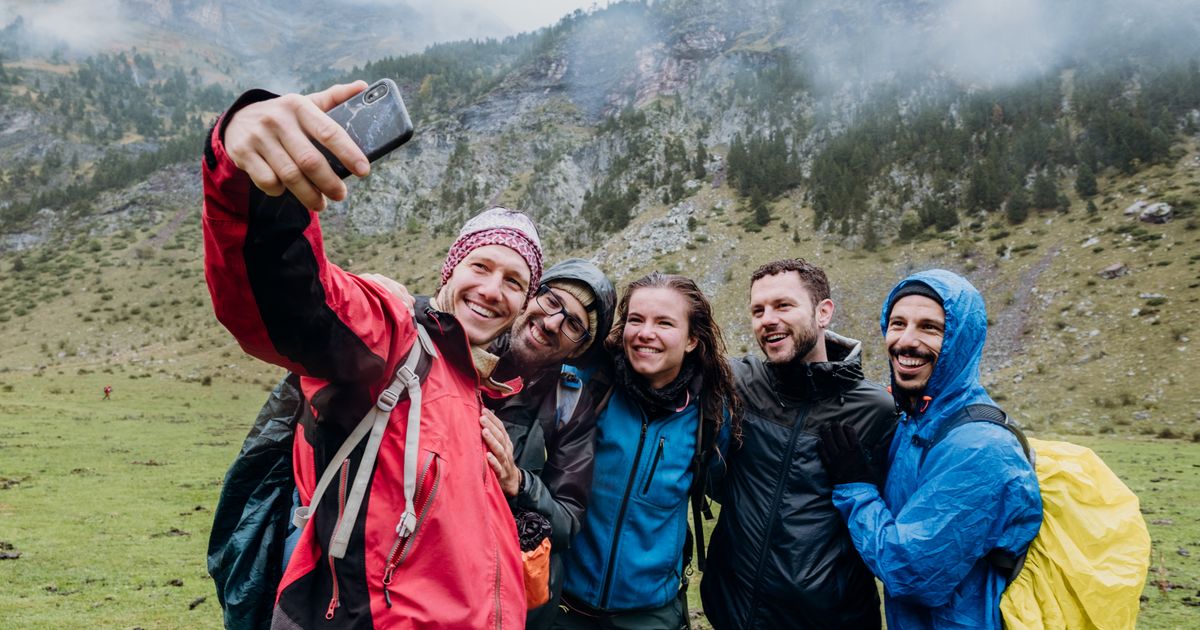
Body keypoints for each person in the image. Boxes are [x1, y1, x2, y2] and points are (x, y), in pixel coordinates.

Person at [202, 82, 541, 628]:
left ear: (524, 304)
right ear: (449, 270)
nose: (492, 289)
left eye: (514, 281)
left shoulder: (481, 391)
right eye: (480, 266)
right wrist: (255, 183)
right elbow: (294, 306)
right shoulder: (395, 337)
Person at [818, 269, 1042, 629]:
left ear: (960, 340)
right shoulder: (916, 422)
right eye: (897, 323)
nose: (906, 341)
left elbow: (910, 572)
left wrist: (855, 486)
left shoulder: (980, 449)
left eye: (929, 328)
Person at [701, 259, 898, 629]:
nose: (767, 319)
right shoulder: (736, 383)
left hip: (829, 620)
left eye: (783, 306)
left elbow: (896, 522)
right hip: (731, 613)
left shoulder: (877, 410)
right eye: (758, 310)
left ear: (823, 313)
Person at [554, 272, 742, 630]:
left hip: (650, 614)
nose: (645, 333)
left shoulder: (709, 415)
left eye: (664, 323)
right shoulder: (589, 381)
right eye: (636, 319)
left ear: (691, 340)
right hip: (563, 604)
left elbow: (725, 489)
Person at [481, 258, 617, 629]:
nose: (553, 322)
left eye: (574, 324)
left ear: (578, 350)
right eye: (552, 301)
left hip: (502, 602)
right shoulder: (460, 344)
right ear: (529, 297)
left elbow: (568, 521)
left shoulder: (570, 405)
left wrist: (519, 482)